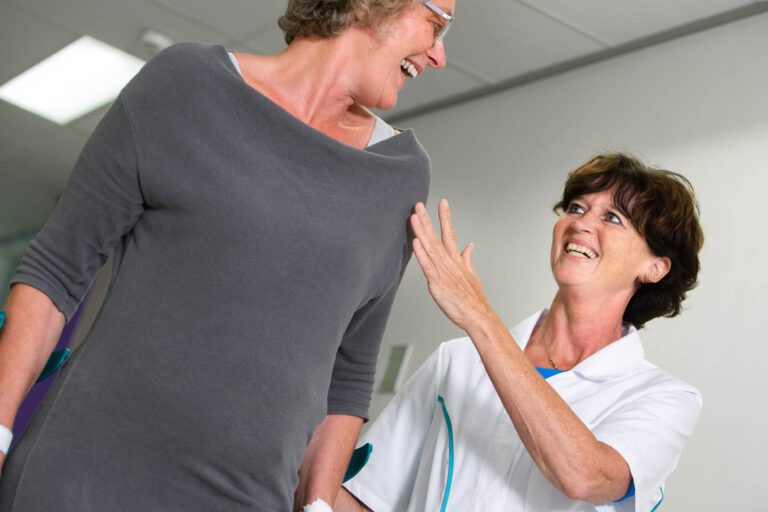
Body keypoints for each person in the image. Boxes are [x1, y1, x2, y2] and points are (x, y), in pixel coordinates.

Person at [0, 0, 456, 510]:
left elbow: (349, 370)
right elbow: (56, 271)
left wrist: (320, 504)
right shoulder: (186, 84)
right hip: (82, 471)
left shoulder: (399, 175)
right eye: (437, 24)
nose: (439, 55)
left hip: (245, 497)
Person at [336, 153, 704, 511]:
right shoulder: (457, 360)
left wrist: (478, 316)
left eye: (612, 218)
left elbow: (587, 478)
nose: (581, 223)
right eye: (576, 207)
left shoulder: (665, 399)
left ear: (655, 267)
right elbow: (367, 498)